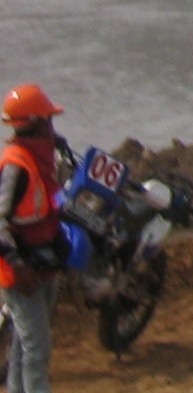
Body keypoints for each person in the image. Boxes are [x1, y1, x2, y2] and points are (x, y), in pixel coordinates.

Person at [0, 83, 67, 393]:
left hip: (42, 262)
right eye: (49, 120)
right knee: (37, 349)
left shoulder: (38, 161)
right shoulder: (17, 165)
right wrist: (17, 264)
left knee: (25, 346)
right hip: (21, 271)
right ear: (38, 122)